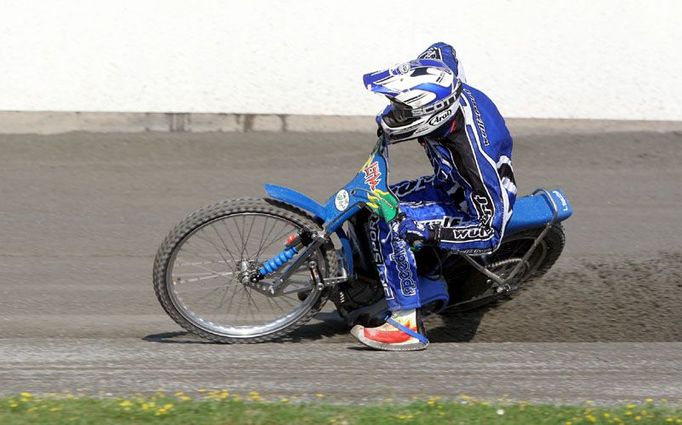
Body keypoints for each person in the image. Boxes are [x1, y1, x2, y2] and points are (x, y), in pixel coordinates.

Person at [350, 42, 517, 351]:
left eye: (403, 112)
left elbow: (490, 233)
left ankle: (405, 325)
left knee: (392, 223)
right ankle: (410, 276)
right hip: (450, 183)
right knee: (371, 202)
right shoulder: (446, 85)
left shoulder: (474, 161)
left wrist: (426, 231)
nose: (392, 116)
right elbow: (443, 50)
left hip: (474, 207)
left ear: (431, 116)